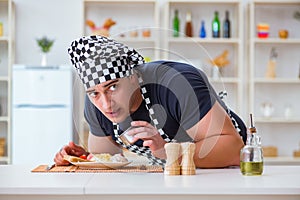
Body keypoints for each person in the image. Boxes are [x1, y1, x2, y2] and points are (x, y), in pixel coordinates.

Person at [54, 35, 246, 168]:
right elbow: (108, 158)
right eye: (94, 93)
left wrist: (166, 152)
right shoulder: (96, 102)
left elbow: (232, 149)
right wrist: (81, 158)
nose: (105, 104)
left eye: (113, 87)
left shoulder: (177, 83)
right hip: (170, 174)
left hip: (225, 169)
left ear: (132, 77)